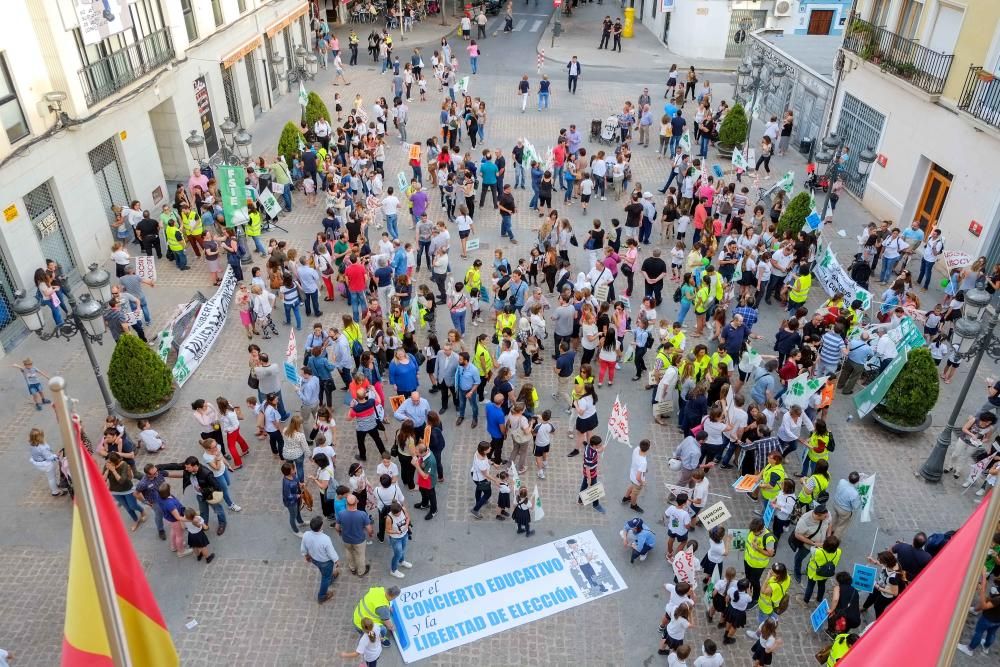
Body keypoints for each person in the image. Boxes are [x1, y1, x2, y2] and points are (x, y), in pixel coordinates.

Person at [957, 570, 1000, 657]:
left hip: (988, 618)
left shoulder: (998, 599)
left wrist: (983, 579)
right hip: (997, 620)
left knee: (979, 632)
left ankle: (970, 649)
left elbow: (984, 605)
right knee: (992, 633)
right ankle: (986, 647)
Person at [301, 515, 340, 603]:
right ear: (321, 527)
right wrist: (336, 560)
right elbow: (331, 552)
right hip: (325, 562)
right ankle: (322, 595)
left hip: (314, 559)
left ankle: (330, 577)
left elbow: (303, 547)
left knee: (324, 572)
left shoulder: (306, 534)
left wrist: (306, 555)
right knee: (325, 578)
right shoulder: (325, 539)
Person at [336, 493, 373, 576]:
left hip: (346, 539)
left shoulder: (341, 514)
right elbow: (369, 529)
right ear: (356, 502)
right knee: (360, 556)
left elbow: (337, 527)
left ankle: (352, 568)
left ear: (346, 503)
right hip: (359, 540)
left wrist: (339, 533)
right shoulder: (362, 514)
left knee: (349, 553)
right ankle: (361, 572)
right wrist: (370, 534)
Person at [804, 535, 842, 604]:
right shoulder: (838, 551)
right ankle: (819, 598)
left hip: (814, 573)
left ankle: (806, 599)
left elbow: (812, 548)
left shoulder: (818, 552)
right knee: (821, 585)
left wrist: (818, 544)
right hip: (826, 573)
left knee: (810, 586)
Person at [829, 472, 863, 538]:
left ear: (848, 477)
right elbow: (855, 506)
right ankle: (834, 538)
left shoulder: (842, 481)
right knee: (841, 526)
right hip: (844, 511)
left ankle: (830, 530)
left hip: (836, 504)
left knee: (835, 517)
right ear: (857, 481)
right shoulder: (855, 493)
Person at [623, 438, 650, 513]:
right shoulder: (643, 462)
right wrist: (642, 483)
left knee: (632, 486)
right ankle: (633, 505)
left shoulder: (636, 449)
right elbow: (638, 477)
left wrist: (644, 469)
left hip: (632, 474)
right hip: (637, 480)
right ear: (648, 449)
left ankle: (626, 497)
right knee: (635, 493)